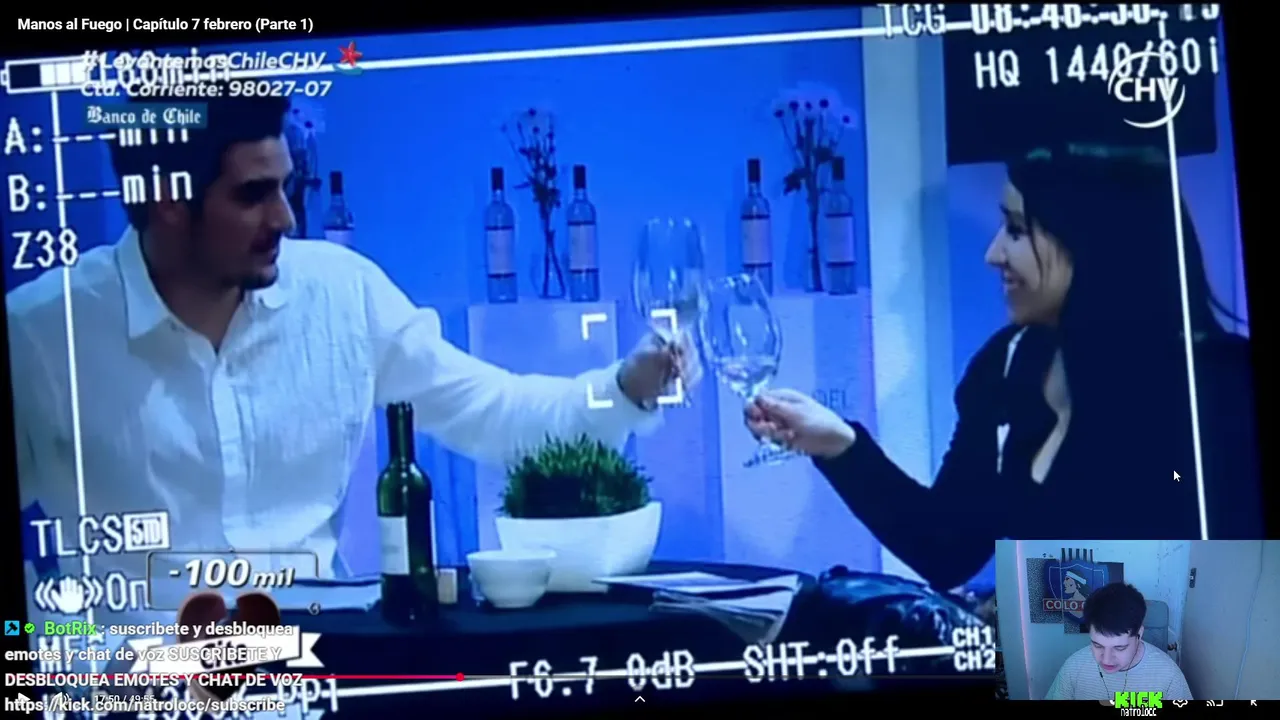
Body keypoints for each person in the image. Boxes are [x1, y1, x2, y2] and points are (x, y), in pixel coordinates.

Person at [6, 89, 699, 618]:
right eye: (253, 195)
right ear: (168, 200)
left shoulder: (341, 294)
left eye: (286, 187)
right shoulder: (41, 334)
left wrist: (624, 386)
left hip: (320, 675)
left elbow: (496, 412)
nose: (285, 218)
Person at [745, 144, 1259, 589]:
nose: (994, 254)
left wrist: (1026, 618)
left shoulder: (1219, 389)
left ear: (1091, 243)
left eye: (1016, 230)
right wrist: (838, 445)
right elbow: (946, 547)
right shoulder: (1009, 364)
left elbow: (1228, 615)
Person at [1044, 583, 1193, 701]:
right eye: (1097, 645)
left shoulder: (1169, 676)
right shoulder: (1073, 668)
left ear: (1139, 634)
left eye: (1120, 647)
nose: (1106, 660)